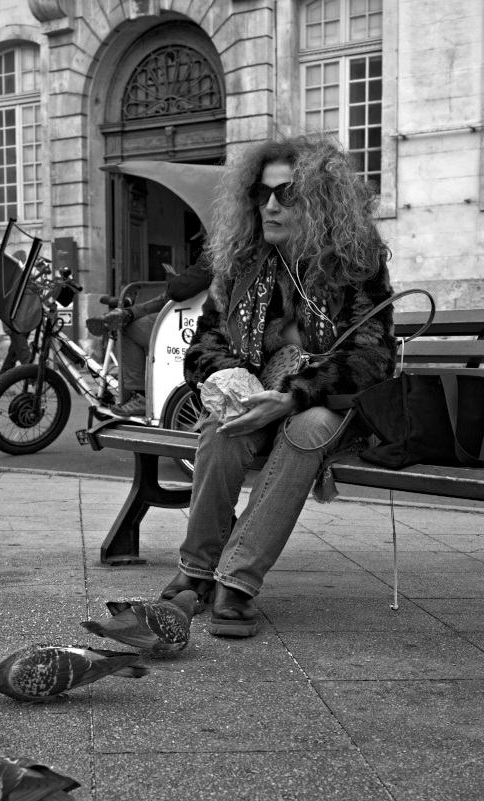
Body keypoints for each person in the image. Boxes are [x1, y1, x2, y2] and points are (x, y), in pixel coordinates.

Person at [160, 134, 397, 638]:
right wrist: (232, 378)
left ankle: (237, 581)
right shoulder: (244, 263)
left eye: (286, 194)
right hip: (261, 393)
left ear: (318, 202)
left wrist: (294, 395)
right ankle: (197, 570)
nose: (269, 206)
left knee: (307, 428)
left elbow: (373, 355)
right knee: (222, 427)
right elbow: (205, 345)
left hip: (329, 404)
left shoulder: (355, 262)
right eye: (260, 195)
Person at [86, 253, 212, 417]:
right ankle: (127, 313)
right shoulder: (228, 255)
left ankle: (140, 396)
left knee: (129, 329)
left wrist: (175, 280)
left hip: (195, 321)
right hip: (199, 316)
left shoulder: (215, 256)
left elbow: (179, 290)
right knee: (165, 298)